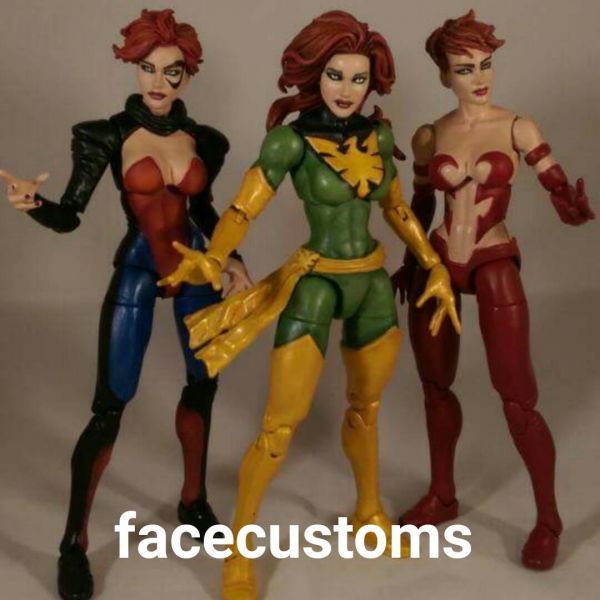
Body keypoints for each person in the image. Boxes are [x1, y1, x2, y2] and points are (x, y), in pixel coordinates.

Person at [160, 11, 460, 599]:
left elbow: (396, 208)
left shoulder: (379, 136)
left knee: (366, 409)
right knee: (280, 424)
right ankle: (240, 550)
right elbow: (244, 206)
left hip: (371, 281)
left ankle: (369, 515)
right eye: (335, 75)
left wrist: (433, 264)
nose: (347, 89)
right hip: (317, 282)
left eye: (358, 78)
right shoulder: (290, 141)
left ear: (372, 83)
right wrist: (214, 256)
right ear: (314, 75)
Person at [0, 9, 251, 599]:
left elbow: (205, 212)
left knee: (202, 387)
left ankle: (193, 500)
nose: (159, 82)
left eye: (172, 71)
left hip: (196, 272)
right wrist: (35, 206)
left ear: (188, 75)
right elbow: (70, 214)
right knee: (109, 406)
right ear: (134, 68)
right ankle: (73, 543)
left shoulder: (205, 141)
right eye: (148, 68)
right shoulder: (105, 135)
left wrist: (233, 258)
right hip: (139, 268)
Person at [392, 9, 594, 571]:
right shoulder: (430, 135)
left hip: (493, 256)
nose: (479, 77)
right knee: (435, 384)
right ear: (444, 75)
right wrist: (410, 258)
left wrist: (570, 206)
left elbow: (555, 184)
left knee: (517, 397)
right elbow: (421, 205)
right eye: (465, 68)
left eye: (485, 65)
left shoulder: (517, 127)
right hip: (439, 260)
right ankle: (443, 494)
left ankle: (548, 520)